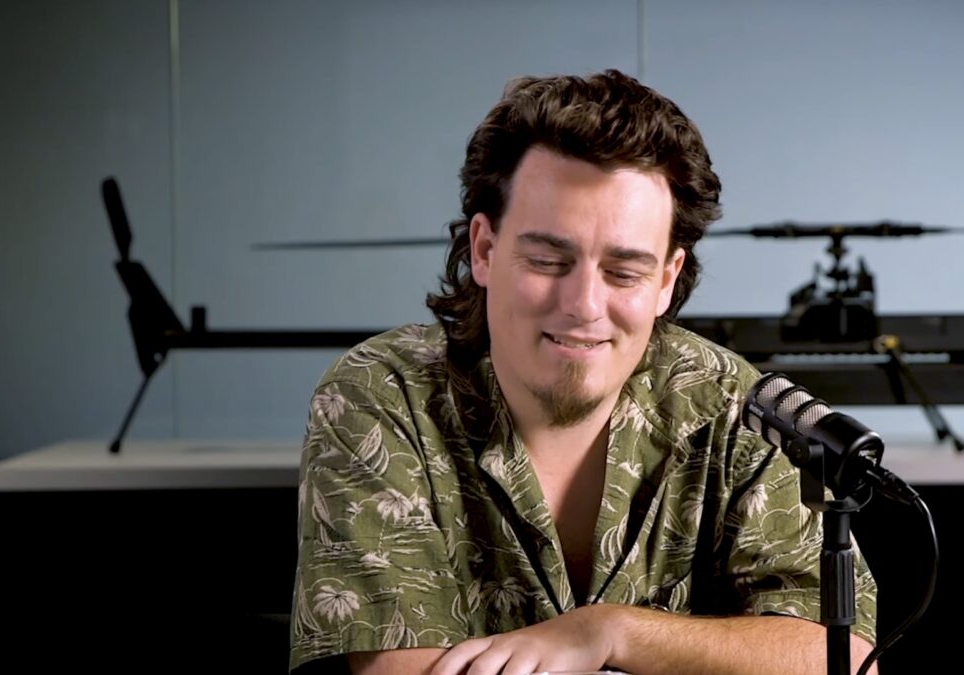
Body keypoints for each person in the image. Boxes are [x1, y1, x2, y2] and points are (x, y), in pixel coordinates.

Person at [290, 69, 877, 674]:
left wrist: (611, 632)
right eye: (548, 260)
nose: (583, 305)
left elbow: (843, 659)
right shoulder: (382, 397)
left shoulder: (737, 409)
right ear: (484, 250)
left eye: (624, 273)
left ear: (666, 280)